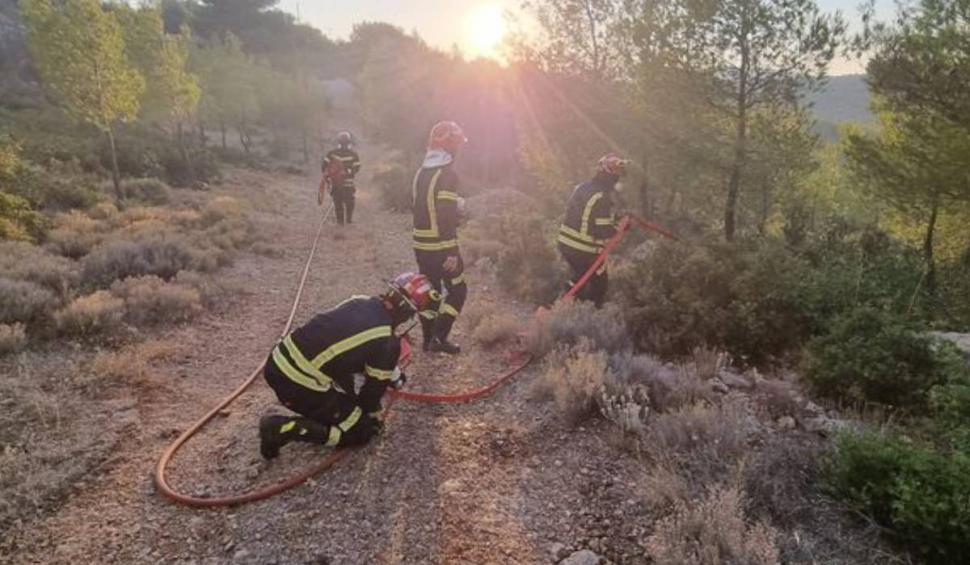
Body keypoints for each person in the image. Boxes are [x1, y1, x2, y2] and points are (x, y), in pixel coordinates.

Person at [258, 273, 437, 459]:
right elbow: (371, 395)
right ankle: (281, 429)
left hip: (279, 358)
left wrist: (392, 374)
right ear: (407, 312)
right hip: (295, 383)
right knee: (360, 430)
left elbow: (355, 345)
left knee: (347, 389)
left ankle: (326, 409)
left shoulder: (360, 301)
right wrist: (367, 417)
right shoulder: (387, 342)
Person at [411, 121, 469, 355]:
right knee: (458, 291)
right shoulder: (448, 174)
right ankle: (440, 337)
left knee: (431, 292)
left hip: (421, 244)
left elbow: (419, 206)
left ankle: (427, 342)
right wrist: (452, 251)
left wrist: (453, 203)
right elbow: (445, 215)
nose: (459, 148)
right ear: (449, 146)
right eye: (457, 143)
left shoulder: (421, 172)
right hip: (441, 247)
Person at [556, 154, 629, 307]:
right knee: (599, 283)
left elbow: (586, 218)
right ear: (606, 172)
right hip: (583, 248)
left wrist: (614, 221)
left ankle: (566, 303)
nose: (618, 176)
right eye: (616, 171)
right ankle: (588, 313)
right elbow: (602, 231)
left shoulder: (583, 187)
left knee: (581, 277)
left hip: (565, 243)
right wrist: (621, 228)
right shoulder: (602, 196)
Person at [321, 131, 361, 227]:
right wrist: (348, 172)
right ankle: (348, 220)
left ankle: (340, 222)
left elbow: (324, 166)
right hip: (348, 183)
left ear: (338, 141)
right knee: (350, 202)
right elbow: (357, 168)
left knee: (338, 202)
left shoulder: (332, 154)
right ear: (349, 142)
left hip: (336, 184)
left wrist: (328, 176)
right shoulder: (353, 154)